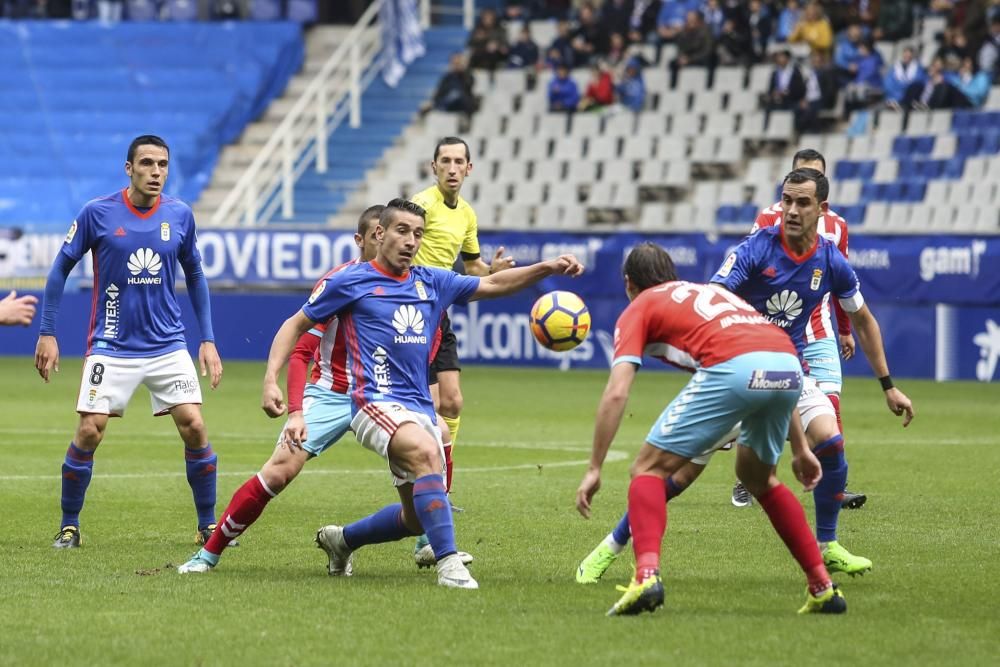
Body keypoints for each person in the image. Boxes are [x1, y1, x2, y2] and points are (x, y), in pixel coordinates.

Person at [576, 166, 915, 586]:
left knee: (828, 439)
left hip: (780, 366)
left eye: (802, 203)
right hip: (730, 371)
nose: (790, 210)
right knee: (677, 478)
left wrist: (888, 385)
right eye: (786, 200)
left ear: (822, 210)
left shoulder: (831, 260)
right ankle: (610, 547)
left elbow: (862, 318)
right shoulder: (755, 249)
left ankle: (827, 547)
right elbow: (716, 296)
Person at [265, 199, 583, 589]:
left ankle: (342, 540)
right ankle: (448, 562)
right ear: (380, 233)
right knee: (430, 451)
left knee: (416, 510)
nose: (411, 240)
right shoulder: (349, 281)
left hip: (414, 402)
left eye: (418, 234)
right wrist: (273, 383)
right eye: (403, 231)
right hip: (372, 400)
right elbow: (296, 328)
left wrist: (547, 267)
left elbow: (494, 283)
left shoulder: (433, 280)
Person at [174, 206, 469, 573]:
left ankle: (423, 539)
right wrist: (290, 402)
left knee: (439, 433)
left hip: (385, 396)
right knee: (280, 470)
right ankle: (209, 553)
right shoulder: (340, 282)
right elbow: (300, 348)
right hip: (332, 392)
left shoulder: (412, 284)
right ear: (372, 238)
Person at [575, 242, 846, 616]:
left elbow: (617, 391)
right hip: (787, 365)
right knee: (758, 479)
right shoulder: (708, 292)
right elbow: (773, 353)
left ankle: (646, 578)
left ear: (629, 284)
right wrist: (799, 449)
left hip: (735, 368)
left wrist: (594, 467)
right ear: (671, 274)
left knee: (647, 469)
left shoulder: (640, 306)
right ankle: (822, 587)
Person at [34, 134, 224, 549]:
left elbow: (196, 275)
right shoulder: (96, 213)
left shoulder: (180, 215)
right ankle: (70, 525)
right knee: (89, 430)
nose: (156, 172)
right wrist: (47, 331)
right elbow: (58, 271)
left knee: (194, 425)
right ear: (129, 168)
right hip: (111, 344)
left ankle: (208, 525)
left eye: (163, 165)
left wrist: (206, 339)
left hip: (168, 343)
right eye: (147, 164)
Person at [407, 137, 516, 566]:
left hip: (441, 312)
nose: (452, 168)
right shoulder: (421, 205)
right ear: (432, 166)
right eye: (445, 161)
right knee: (430, 413)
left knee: (452, 402)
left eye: (459, 162)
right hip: (413, 311)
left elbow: (473, 270)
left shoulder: (466, 214)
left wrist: (494, 271)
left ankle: (441, 494)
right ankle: (425, 519)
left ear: (469, 168)